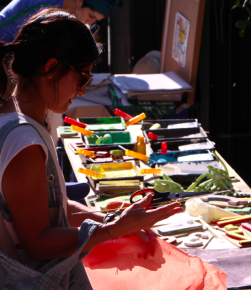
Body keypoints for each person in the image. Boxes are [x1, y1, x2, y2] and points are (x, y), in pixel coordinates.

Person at [0, 8, 183, 289]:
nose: (83, 90)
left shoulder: (17, 120)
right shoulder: (24, 143)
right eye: (82, 77)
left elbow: (52, 208)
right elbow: (38, 242)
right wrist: (112, 229)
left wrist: (112, 219)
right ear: (50, 68)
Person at [0, 0, 116, 43]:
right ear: (80, 1)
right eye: (91, 16)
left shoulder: (64, 8)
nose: (90, 22)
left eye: (96, 20)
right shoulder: (45, 6)